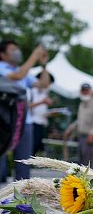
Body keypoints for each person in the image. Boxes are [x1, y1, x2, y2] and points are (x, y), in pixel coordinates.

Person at [0, 40, 49, 182]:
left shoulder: (23, 71)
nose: (17, 51)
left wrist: (43, 65)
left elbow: (43, 84)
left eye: (17, 48)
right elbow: (18, 76)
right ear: (2, 54)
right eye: (12, 49)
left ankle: (19, 200)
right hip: (4, 120)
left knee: (24, 161)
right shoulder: (2, 68)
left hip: (24, 121)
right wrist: (34, 55)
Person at [75, 83, 93, 167]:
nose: (85, 92)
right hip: (81, 136)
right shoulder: (81, 104)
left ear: (91, 92)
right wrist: (69, 131)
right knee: (81, 162)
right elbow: (79, 121)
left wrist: (92, 134)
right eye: (83, 90)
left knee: (89, 164)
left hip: (90, 137)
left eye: (86, 90)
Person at [30, 70, 54, 155]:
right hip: (32, 124)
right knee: (31, 147)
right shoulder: (31, 91)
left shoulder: (44, 94)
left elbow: (41, 111)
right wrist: (42, 102)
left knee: (36, 148)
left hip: (41, 124)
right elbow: (27, 106)